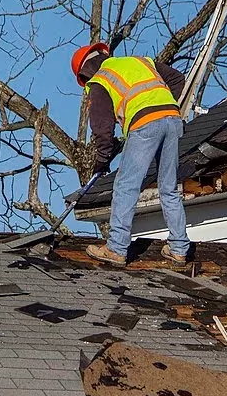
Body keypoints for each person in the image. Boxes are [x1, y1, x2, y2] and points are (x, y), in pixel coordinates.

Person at [71, 42, 191, 267]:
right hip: (173, 120)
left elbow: (102, 128)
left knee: (126, 186)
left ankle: (116, 248)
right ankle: (179, 249)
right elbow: (177, 79)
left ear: (85, 74)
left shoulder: (99, 81)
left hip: (146, 124)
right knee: (169, 188)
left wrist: (102, 160)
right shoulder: (140, 61)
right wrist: (163, 106)